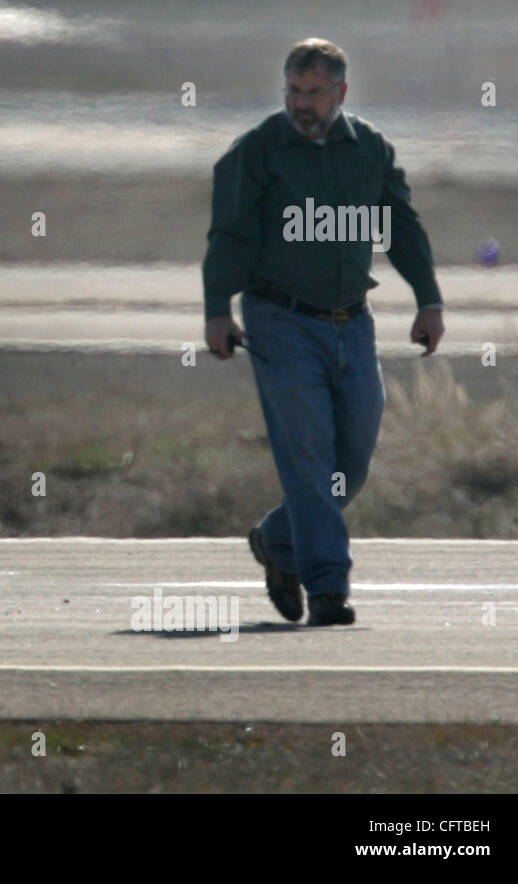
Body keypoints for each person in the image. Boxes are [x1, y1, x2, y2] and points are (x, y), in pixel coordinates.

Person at [202, 38, 445, 627]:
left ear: (341, 92)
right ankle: (329, 588)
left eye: (313, 93)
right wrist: (217, 308)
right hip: (279, 321)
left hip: (352, 323)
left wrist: (428, 299)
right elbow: (230, 234)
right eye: (293, 91)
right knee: (307, 457)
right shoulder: (259, 150)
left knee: (350, 463)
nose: (301, 104)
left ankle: (278, 540)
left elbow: (402, 227)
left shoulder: (370, 149)